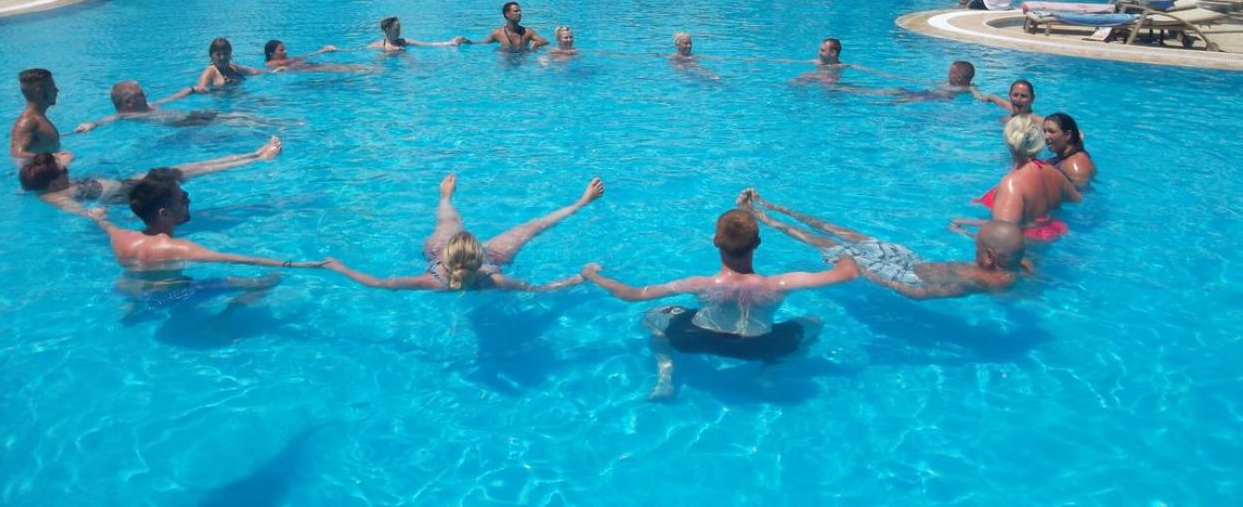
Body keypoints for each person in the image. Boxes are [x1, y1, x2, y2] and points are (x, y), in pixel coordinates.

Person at [581, 208, 857, 398]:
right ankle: (767, 374)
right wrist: (841, 252)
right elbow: (848, 273)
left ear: (715, 241)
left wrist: (592, 274)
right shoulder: (781, 284)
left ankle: (665, 377)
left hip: (698, 339)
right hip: (758, 346)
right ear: (758, 243)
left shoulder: (699, 284)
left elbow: (630, 294)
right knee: (814, 324)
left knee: (652, 318)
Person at [322, 173, 601, 292]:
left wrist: (338, 267)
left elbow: (378, 283)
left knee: (448, 222)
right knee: (532, 227)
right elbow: (540, 290)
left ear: (445, 257)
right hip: (496, 257)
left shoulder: (432, 281)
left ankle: (445, 197)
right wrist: (581, 277)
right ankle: (580, 203)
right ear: (479, 257)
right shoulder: (494, 280)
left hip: (447, 254)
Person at [740, 191, 1029, 300]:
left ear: (989, 257)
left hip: (907, 275)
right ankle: (775, 208)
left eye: (977, 248)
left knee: (830, 243)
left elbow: (918, 294)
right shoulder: (1015, 267)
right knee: (852, 236)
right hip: (913, 261)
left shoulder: (978, 280)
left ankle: (767, 216)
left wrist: (867, 273)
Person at [88, 175, 327, 302]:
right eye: (182, 199)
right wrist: (302, 264)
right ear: (164, 214)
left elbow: (106, 225)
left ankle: (132, 310)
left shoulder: (121, 236)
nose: (189, 200)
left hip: (127, 290)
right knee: (267, 281)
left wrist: (99, 218)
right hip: (169, 296)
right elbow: (238, 259)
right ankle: (221, 322)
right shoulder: (176, 248)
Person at [21, 136, 282, 215]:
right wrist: (91, 214)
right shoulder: (52, 196)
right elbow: (73, 208)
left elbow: (58, 162)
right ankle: (258, 159)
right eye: (63, 171)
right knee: (194, 172)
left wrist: (62, 159)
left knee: (192, 166)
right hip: (132, 192)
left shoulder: (54, 183)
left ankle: (253, 153)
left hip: (129, 182)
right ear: (52, 183)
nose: (67, 170)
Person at [955, 114, 1082, 241]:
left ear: (1008, 141)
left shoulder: (1012, 183)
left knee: (954, 225)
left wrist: (965, 225)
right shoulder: (1055, 174)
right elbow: (1078, 200)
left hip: (1025, 245)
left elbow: (1002, 234)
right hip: (1050, 238)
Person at [75, 80, 195, 132]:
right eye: (141, 95)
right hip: (180, 124)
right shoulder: (125, 115)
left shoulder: (149, 105)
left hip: (189, 117)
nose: (146, 95)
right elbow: (103, 121)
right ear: (128, 102)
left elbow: (170, 99)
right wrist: (91, 125)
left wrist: (190, 90)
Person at [11, 68, 63, 160]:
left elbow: (42, 140)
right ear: (39, 92)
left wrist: (75, 133)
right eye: (52, 88)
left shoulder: (38, 118)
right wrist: (55, 157)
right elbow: (17, 153)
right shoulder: (28, 121)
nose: (57, 90)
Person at [1043, 112, 1096, 188]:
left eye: (1052, 132)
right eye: (1044, 132)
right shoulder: (1063, 158)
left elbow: (1081, 193)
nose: (1046, 137)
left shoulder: (1074, 165)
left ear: (1068, 135)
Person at [193, 37, 263, 92]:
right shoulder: (210, 72)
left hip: (242, 99)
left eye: (225, 53)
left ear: (230, 54)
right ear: (211, 56)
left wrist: (269, 71)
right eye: (218, 54)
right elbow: (200, 89)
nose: (222, 57)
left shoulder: (234, 68)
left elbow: (254, 72)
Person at [365, 16, 469, 52]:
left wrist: (451, 42)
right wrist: (390, 53)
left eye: (400, 29)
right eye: (396, 29)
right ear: (387, 29)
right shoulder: (376, 46)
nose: (399, 32)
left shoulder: (404, 42)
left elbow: (429, 45)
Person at [481, 1, 548, 51]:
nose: (519, 13)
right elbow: (483, 43)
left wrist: (537, 44)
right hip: (506, 60)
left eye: (520, 11)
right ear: (507, 14)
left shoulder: (527, 32)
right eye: (516, 11)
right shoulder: (498, 33)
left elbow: (545, 42)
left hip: (523, 58)